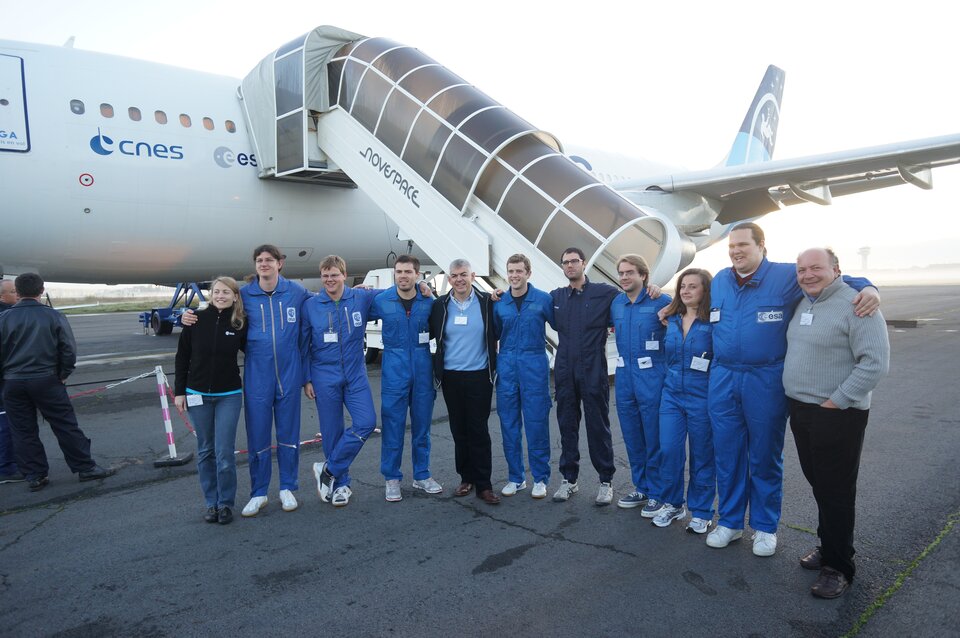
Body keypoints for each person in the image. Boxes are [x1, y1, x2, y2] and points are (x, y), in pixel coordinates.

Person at [706, 223, 879, 556]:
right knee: (727, 454)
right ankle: (729, 522)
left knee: (765, 455)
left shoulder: (786, 275)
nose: (736, 251)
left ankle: (765, 527)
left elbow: (833, 278)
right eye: (731, 246)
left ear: (761, 246)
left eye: (743, 245)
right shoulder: (720, 281)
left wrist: (869, 287)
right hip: (723, 378)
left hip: (765, 378)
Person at [784, 248, 889, 598]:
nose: (808, 275)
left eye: (816, 268)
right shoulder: (803, 302)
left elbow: (874, 363)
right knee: (820, 484)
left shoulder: (857, 305)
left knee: (837, 491)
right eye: (802, 270)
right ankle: (829, 545)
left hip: (838, 413)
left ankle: (839, 566)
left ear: (837, 269)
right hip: (802, 410)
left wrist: (835, 403)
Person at [184, 244, 311, 517]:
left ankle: (287, 488)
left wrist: (356, 292)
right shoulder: (244, 295)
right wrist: (189, 314)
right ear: (255, 265)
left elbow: (324, 301)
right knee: (258, 436)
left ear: (280, 263)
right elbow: (217, 312)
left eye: (269, 260)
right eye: (259, 260)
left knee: (289, 434)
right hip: (257, 377)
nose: (264, 264)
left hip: (289, 375)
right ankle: (259, 492)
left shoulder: (297, 292)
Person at [0, 273, 114, 491]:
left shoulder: (4, 318)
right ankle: (85, 467)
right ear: (41, 291)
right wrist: (63, 373)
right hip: (46, 379)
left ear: (18, 292)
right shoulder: (53, 316)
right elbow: (68, 349)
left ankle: (35, 475)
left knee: (23, 430)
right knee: (65, 425)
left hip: (13, 381)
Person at [307, 255, 380, 508]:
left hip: (354, 374)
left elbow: (394, 294)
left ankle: (328, 469)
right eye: (325, 275)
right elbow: (302, 344)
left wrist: (422, 285)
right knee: (331, 432)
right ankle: (341, 485)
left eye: (334, 275)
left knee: (366, 422)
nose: (330, 279)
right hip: (323, 375)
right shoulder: (311, 305)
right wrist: (306, 379)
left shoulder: (361, 297)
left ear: (344, 276)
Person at [174, 277, 247, 525]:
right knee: (205, 450)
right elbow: (182, 357)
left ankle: (225, 503)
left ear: (235, 296)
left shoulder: (240, 323)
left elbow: (256, 352)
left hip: (229, 395)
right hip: (197, 394)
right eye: (216, 292)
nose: (220, 296)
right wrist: (179, 392)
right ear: (211, 294)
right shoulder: (195, 319)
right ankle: (211, 503)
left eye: (226, 292)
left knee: (224, 452)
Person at [369, 255, 442, 502]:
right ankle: (391, 478)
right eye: (399, 271)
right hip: (394, 371)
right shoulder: (382, 300)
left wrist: (426, 289)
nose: (403, 276)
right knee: (393, 427)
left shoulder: (428, 301)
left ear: (417, 275)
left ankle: (422, 475)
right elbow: (355, 306)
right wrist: (361, 290)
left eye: (408, 272)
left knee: (422, 427)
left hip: (422, 370)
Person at [428, 259, 500, 505]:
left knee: (478, 430)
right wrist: (421, 287)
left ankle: (484, 485)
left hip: (479, 375)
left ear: (473, 276)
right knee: (459, 430)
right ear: (449, 279)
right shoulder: (440, 305)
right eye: (455, 275)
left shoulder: (487, 302)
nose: (459, 279)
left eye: (463, 274)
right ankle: (466, 478)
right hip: (451, 376)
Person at [655, 268, 716, 533]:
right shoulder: (671, 319)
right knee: (669, 450)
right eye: (682, 286)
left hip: (702, 396)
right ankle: (673, 504)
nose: (686, 291)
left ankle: (701, 511)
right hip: (671, 396)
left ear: (705, 290)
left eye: (693, 286)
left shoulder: (714, 321)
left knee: (702, 455)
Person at [610, 254, 672, 514]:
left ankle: (659, 492)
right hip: (625, 377)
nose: (624, 277)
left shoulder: (661, 300)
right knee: (633, 436)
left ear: (643, 275)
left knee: (654, 436)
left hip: (653, 377)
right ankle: (642, 487)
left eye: (630, 272)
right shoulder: (616, 303)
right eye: (621, 273)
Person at [492, 254, 555, 499]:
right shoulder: (500, 302)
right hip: (507, 366)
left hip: (534, 366)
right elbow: (494, 333)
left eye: (519, 271)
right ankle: (516, 478)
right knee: (509, 425)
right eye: (511, 271)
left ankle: (540, 478)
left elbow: (561, 325)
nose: (514, 275)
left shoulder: (543, 299)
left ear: (528, 273)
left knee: (537, 424)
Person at [0, 279, 25, 483]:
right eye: (13, 291)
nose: (17, 294)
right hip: (6, 380)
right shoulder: (6, 317)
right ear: (2, 296)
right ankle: (7, 467)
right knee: (6, 423)